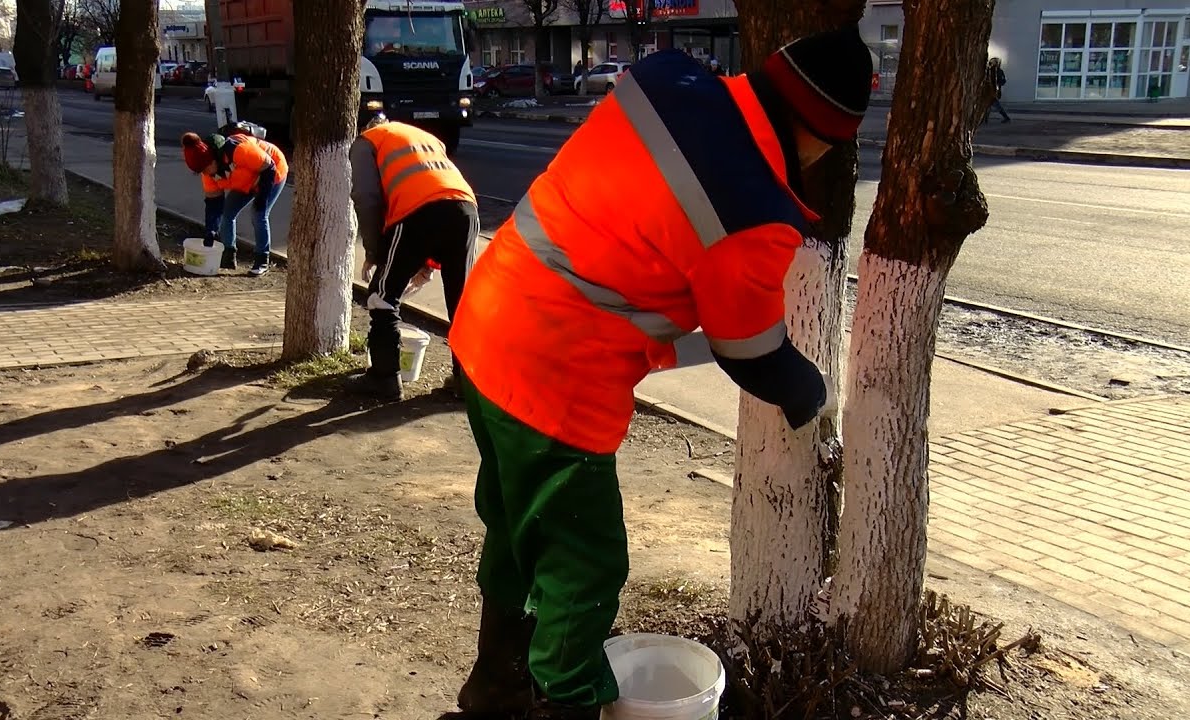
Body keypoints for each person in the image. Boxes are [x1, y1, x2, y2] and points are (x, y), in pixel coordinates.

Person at [441, 26, 873, 720]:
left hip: (486, 323)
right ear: (822, 137)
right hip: (554, 377)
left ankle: (493, 690)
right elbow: (752, 352)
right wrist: (813, 394)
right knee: (583, 564)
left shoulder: (664, 79)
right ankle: (564, 702)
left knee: (517, 524)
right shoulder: (752, 214)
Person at [347, 114, 479, 401]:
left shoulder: (366, 141)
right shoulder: (425, 138)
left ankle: (384, 378)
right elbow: (435, 191)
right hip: (466, 209)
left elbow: (367, 197)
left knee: (381, 296)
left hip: (418, 212)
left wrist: (373, 252)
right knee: (462, 303)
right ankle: (466, 384)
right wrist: (428, 263)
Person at [181, 130, 288, 275]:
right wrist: (210, 231)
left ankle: (262, 260)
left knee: (258, 213)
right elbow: (214, 206)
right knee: (227, 213)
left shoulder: (239, 151)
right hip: (246, 180)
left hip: (272, 172)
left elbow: (269, 167)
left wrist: (262, 198)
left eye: (205, 168)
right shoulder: (207, 175)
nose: (205, 173)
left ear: (213, 159)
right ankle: (228, 256)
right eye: (201, 171)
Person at [987, 57, 1010, 123]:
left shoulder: (996, 71)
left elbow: (1003, 81)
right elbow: (1003, 81)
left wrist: (998, 85)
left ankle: (1006, 117)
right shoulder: (991, 70)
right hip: (992, 91)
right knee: (992, 105)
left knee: (996, 105)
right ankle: (1006, 117)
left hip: (993, 91)